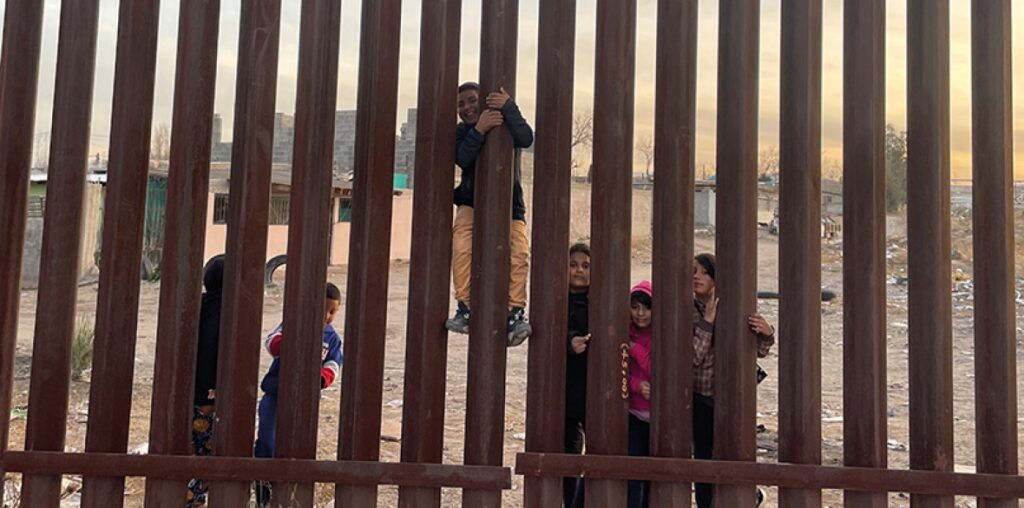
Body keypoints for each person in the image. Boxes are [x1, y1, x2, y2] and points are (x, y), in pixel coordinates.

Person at [445, 81, 535, 346]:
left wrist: (509, 106)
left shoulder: (508, 124)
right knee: (461, 245)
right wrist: (480, 130)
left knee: (519, 253)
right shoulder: (461, 132)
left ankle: (515, 312)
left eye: (472, 100)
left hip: (510, 204)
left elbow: (527, 137)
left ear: (484, 100)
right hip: (471, 202)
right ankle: (466, 307)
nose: (467, 108)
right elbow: (463, 157)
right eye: (461, 104)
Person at [692, 253, 774, 508]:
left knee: (735, 455)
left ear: (716, 279)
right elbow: (692, 357)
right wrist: (707, 322)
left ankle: (747, 497)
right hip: (700, 397)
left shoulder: (733, 307)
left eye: (704, 272)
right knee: (703, 459)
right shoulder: (687, 310)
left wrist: (767, 333)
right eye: (694, 271)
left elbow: (759, 351)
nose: (697, 276)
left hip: (732, 399)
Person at [253, 283, 344, 505]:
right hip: (276, 394)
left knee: (300, 445)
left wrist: (321, 378)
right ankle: (263, 487)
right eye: (323, 310)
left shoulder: (332, 338)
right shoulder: (291, 325)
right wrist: (289, 340)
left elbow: (334, 364)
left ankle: (291, 493)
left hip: (305, 400)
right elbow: (270, 342)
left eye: (332, 312)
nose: (327, 316)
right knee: (267, 438)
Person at [186, 255, 224, 508]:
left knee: (198, 448)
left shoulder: (200, 305)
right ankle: (195, 499)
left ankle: (196, 497)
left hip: (195, 393)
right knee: (208, 452)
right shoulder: (227, 312)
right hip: (209, 395)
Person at [564, 243, 591, 508]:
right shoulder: (556, 298)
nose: (579, 271)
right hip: (562, 391)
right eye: (573, 265)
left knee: (596, 457)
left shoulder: (601, 300)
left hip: (594, 390)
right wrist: (569, 341)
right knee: (568, 456)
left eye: (585, 265)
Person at [626, 280, 653, 508]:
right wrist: (637, 385)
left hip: (660, 417)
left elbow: (655, 368)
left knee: (656, 476)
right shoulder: (626, 330)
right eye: (635, 307)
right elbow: (618, 372)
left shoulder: (661, 334)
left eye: (646, 307)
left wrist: (634, 348)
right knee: (633, 474)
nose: (640, 313)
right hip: (634, 412)